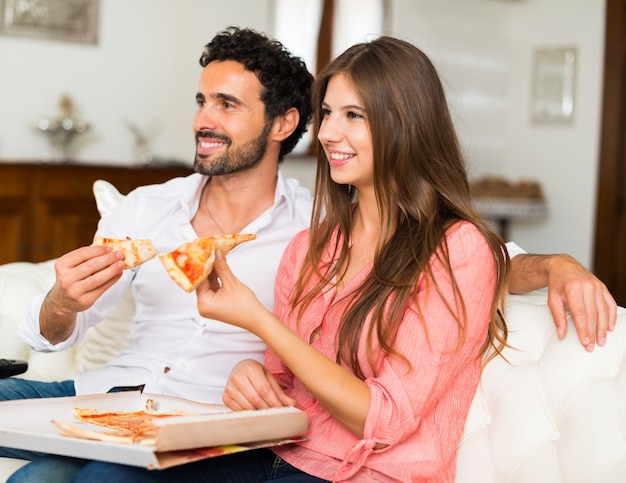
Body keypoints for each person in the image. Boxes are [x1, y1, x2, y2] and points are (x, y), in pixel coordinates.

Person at [3, 28, 616, 482]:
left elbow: (465, 257)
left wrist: (556, 265)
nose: (202, 120)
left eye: (227, 105)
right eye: (201, 101)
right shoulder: (178, 217)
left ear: (280, 124)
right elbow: (54, 334)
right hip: (119, 399)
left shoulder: (326, 228)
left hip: (242, 438)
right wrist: (60, 302)